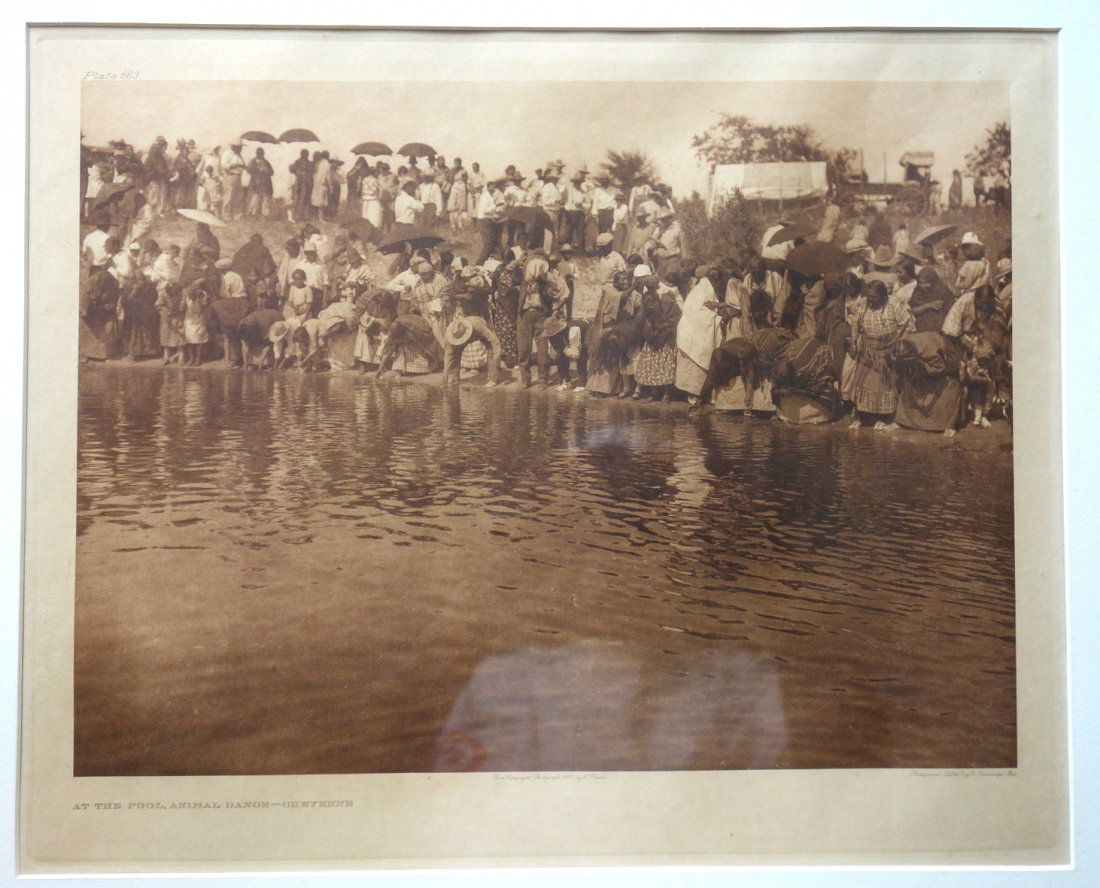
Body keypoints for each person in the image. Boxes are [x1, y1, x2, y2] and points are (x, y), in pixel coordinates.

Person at [844, 279, 916, 430]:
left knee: (884, 385)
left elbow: (908, 326)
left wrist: (899, 347)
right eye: (869, 296)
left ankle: (885, 418)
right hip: (868, 351)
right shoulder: (862, 304)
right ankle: (863, 416)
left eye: (874, 297)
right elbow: (856, 323)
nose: (870, 300)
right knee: (864, 383)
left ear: (884, 296)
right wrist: (855, 340)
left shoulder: (895, 305)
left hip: (889, 351)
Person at [586, 269, 641, 397]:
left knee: (617, 359)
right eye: (622, 279)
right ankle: (599, 389)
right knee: (605, 359)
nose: (625, 281)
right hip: (607, 329)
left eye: (627, 279)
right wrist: (634, 285)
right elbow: (622, 297)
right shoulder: (610, 292)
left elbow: (638, 303)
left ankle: (615, 388)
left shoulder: (633, 294)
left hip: (621, 330)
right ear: (615, 282)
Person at [633, 272, 682, 402]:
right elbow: (641, 318)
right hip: (654, 335)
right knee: (656, 365)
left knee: (662, 365)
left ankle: (664, 394)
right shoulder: (652, 297)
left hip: (665, 335)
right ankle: (658, 394)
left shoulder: (665, 298)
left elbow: (675, 317)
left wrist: (661, 326)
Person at [442, 286, 502, 388]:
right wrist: (444, 377)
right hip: (464, 331)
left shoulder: (477, 325)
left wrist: (496, 358)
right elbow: (448, 358)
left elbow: (494, 342)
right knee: (454, 353)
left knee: (491, 350)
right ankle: (454, 377)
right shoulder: (453, 332)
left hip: (480, 331)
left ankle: (493, 378)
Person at [476, 180, 505, 264]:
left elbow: (489, 211)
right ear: (488, 187)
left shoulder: (489, 196)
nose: (494, 189)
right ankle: (479, 263)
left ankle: (493, 262)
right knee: (489, 244)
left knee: (495, 243)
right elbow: (485, 210)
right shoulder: (485, 197)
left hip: (487, 221)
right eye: (492, 187)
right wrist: (496, 205)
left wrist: (495, 215)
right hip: (484, 221)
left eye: (494, 187)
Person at [181, 282, 210, 366]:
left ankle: (198, 358)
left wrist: (202, 298)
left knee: (199, 340)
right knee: (189, 340)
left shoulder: (202, 296)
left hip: (199, 320)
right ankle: (191, 358)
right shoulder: (187, 297)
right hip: (189, 320)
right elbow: (182, 308)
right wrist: (183, 300)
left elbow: (204, 307)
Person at [295, 243, 328, 316]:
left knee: (316, 315)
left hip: (317, 294)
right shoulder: (300, 265)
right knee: (303, 314)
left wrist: (324, 299)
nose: (313, 255)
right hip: (304, 293)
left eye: (314, 253)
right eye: (310, 253)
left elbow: (325, 283)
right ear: (306, 254)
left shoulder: (322, 265)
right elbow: (294, 280)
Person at [220, 143, 247, 221]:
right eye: (239, 147)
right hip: (230, 176)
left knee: (238, 196)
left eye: (241, 147)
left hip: (238, 177)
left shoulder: (239, 155)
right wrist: (235, 165)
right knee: (228, 196)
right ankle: (226, 216)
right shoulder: (227, 154)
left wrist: (242, 166)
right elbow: (223, 165)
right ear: (233, 147)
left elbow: (243, 165)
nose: (240, 149)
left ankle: (237, 216)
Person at [246, 148, 274, 219]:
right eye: (258, 153)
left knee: (265, 199)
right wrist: (257, 169)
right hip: (256, 183)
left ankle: (265, 215)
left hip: (265, 183)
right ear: (256, 154)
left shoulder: (266, 162)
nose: (260, 155)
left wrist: (265, 170)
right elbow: (249, 170)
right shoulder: (253, 162)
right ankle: (252, 214)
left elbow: (271, 172)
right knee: (255, 198)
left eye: (261, 153)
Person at [290, 149, 314, 222]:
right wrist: (299, 171)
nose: (305, 155)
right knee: (297, 199)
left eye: (306, 154)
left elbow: (311, 171)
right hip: (299, 183)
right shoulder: (297, 162)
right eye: (304, 154)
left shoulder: (309, 163)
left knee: (306, 200)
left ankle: (305, 216)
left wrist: (305, 172)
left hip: (307, 183)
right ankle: (295, 216)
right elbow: (292, 169)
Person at [310, 151, 330, 221]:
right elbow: (328, 176)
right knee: (321, 202)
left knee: (317, 201)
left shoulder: (318, 163)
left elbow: (314, 174)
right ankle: (321, 218)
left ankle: (317, 217)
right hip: (322, 184)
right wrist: (330, 185)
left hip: (317, 184)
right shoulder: (326, 163)